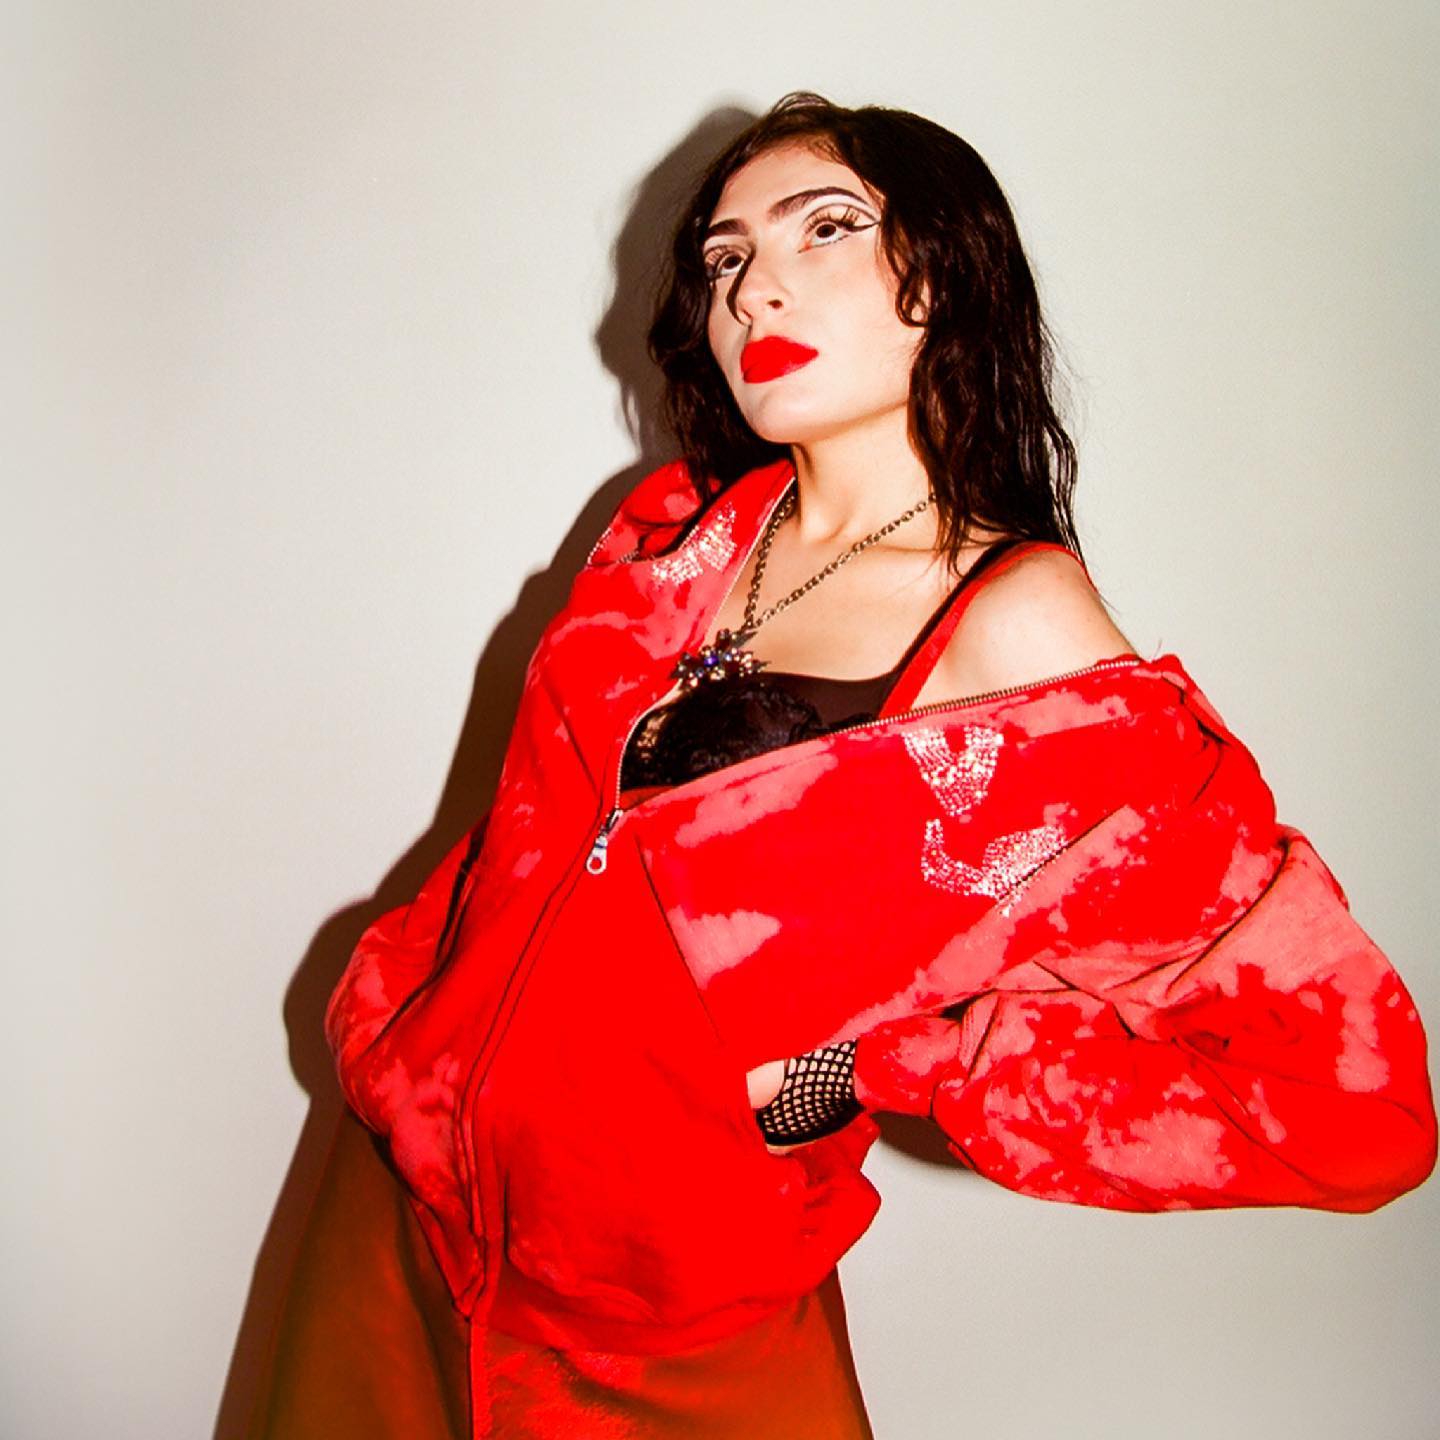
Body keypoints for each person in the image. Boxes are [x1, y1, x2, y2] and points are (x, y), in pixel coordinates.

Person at [249, 93, 1437, 1439]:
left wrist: (884, 1068)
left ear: (949, 273)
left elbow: (1353, 1102)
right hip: (398, 1215)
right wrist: (404, 1004)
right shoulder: (669, 535)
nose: (756, 289)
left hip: (660, 1330)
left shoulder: (1016, 624)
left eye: (825, 229)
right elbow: (547, 839)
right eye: (727, 257)